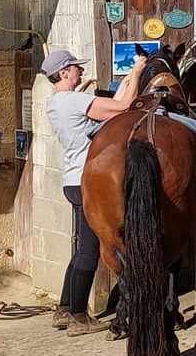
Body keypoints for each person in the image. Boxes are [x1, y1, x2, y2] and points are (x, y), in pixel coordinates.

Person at [43, 48, 146, 334]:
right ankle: (78, 316)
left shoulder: (56, 104)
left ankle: (64, 308)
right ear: (63, 73)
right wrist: (137, 72)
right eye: (76, 67)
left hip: (72, 180)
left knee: (79, 247)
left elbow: (113, 104)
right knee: (90, 249)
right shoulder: (75, 101)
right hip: (87, 181)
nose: (81, 71)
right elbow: (124, 107)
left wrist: (128, 77)